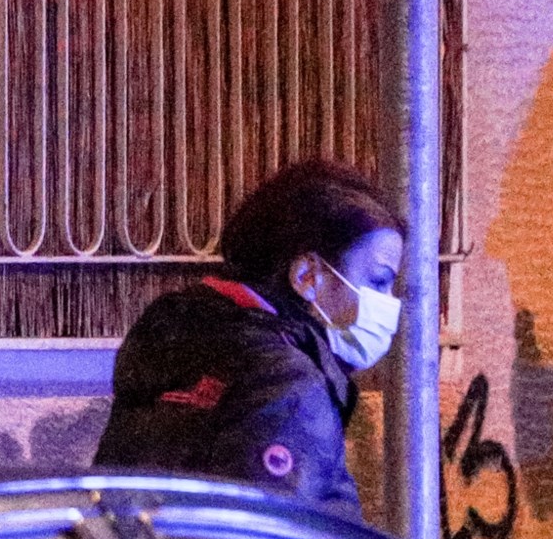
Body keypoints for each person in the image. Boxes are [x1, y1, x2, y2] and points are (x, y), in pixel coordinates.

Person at [94, 159, 406, 516]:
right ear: (306, 276)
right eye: (379, 281)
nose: (390, 304)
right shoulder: (286, 385)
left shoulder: (181, 335)